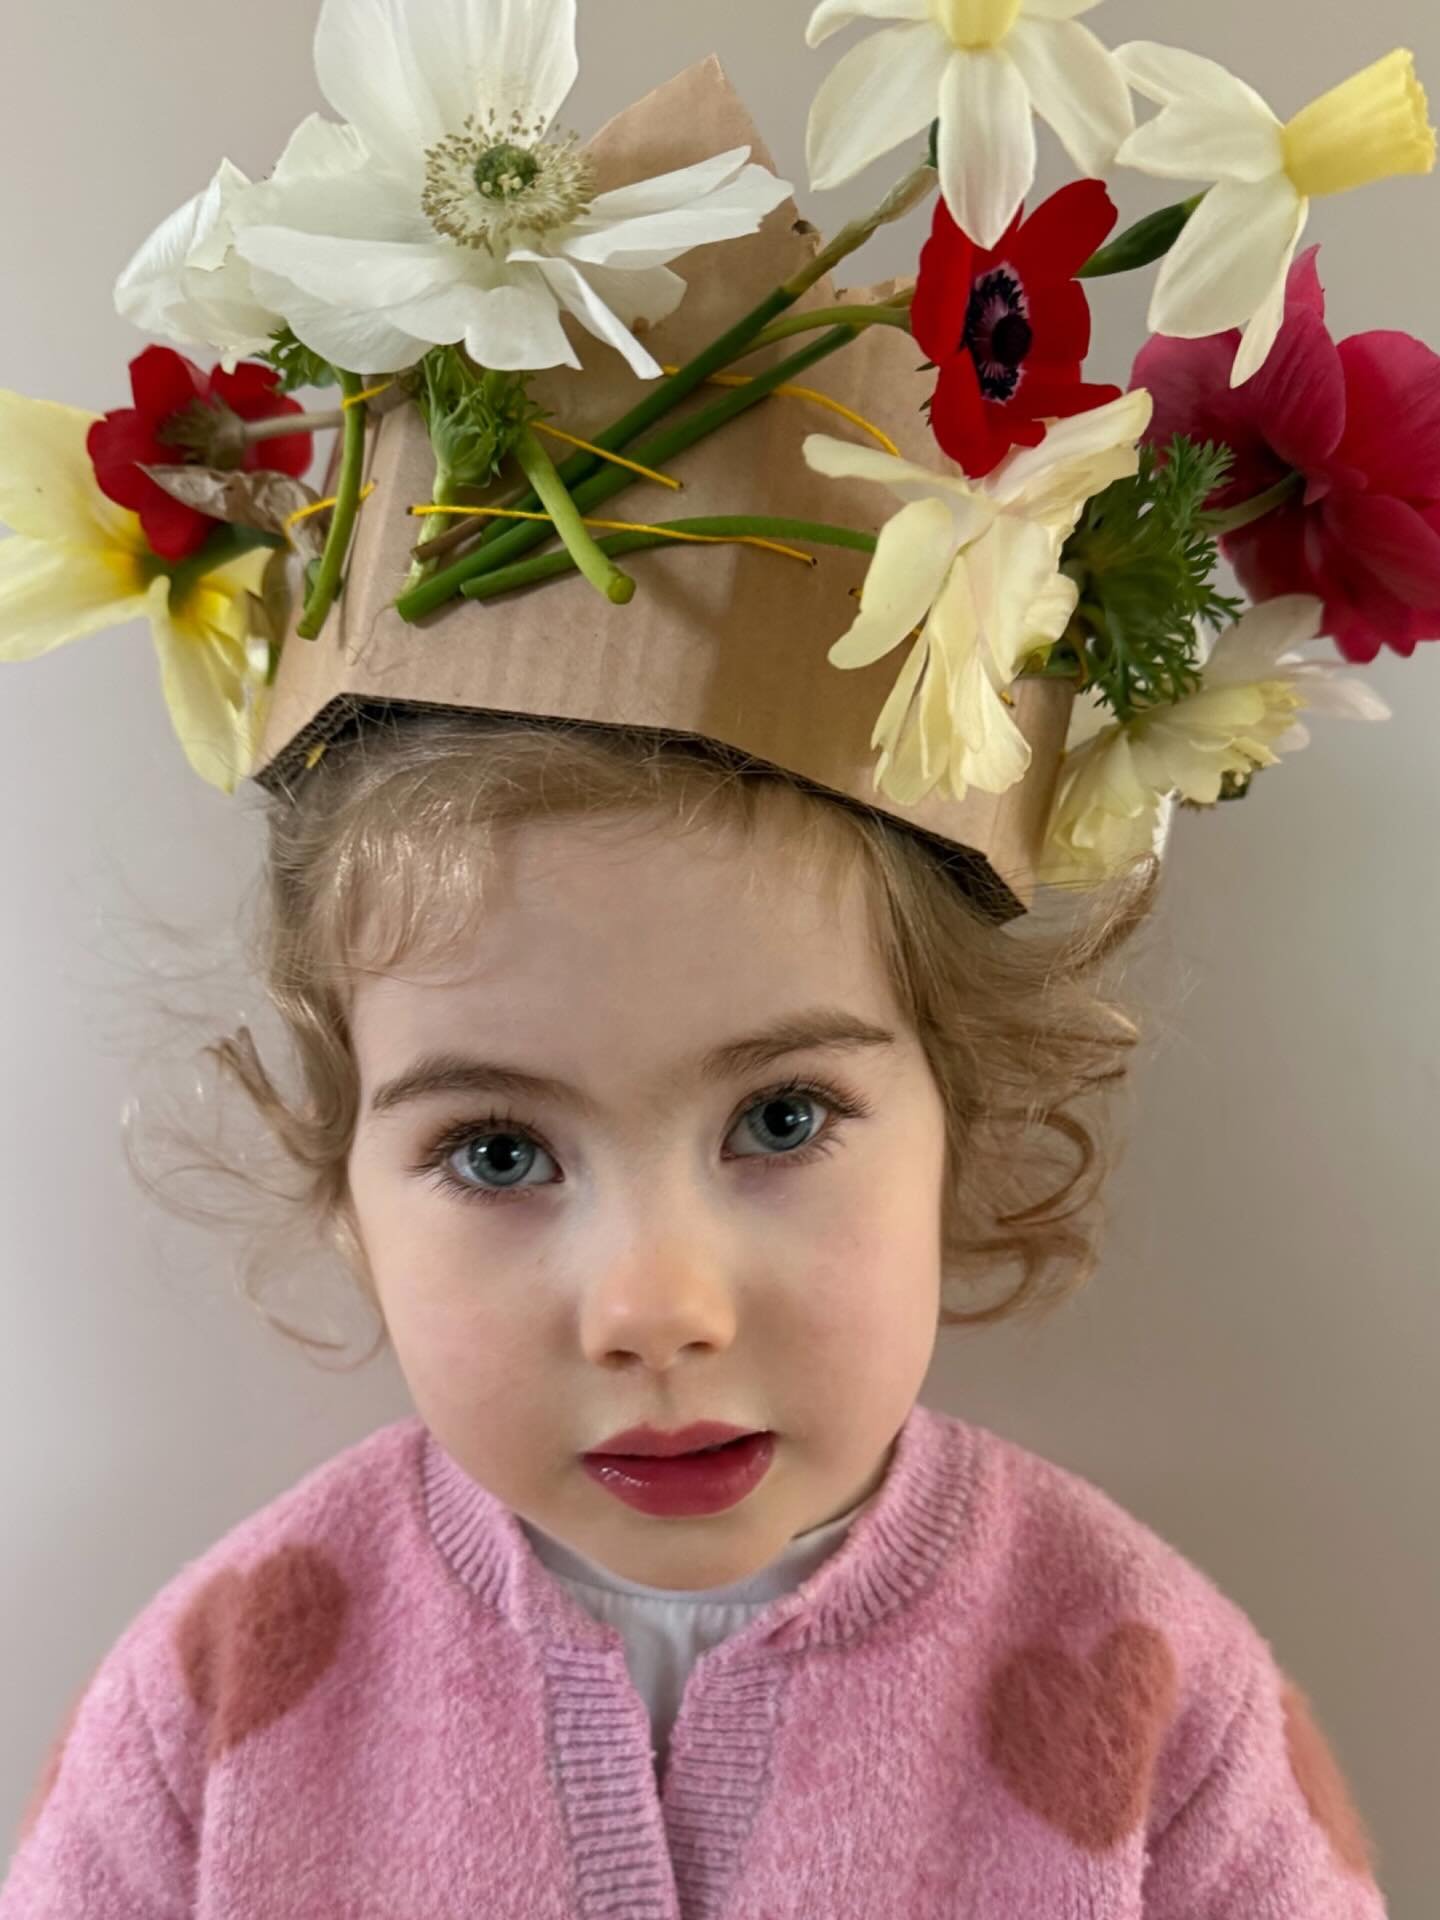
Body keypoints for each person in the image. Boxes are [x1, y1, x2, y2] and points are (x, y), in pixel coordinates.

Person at [1, 0, 1417, 1910]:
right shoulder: (216, 1706)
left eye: (782, 1116)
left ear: (965, 1110)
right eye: (497, 1149)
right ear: (340, 1181)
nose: (652, 1309)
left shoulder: (1152, 1706)